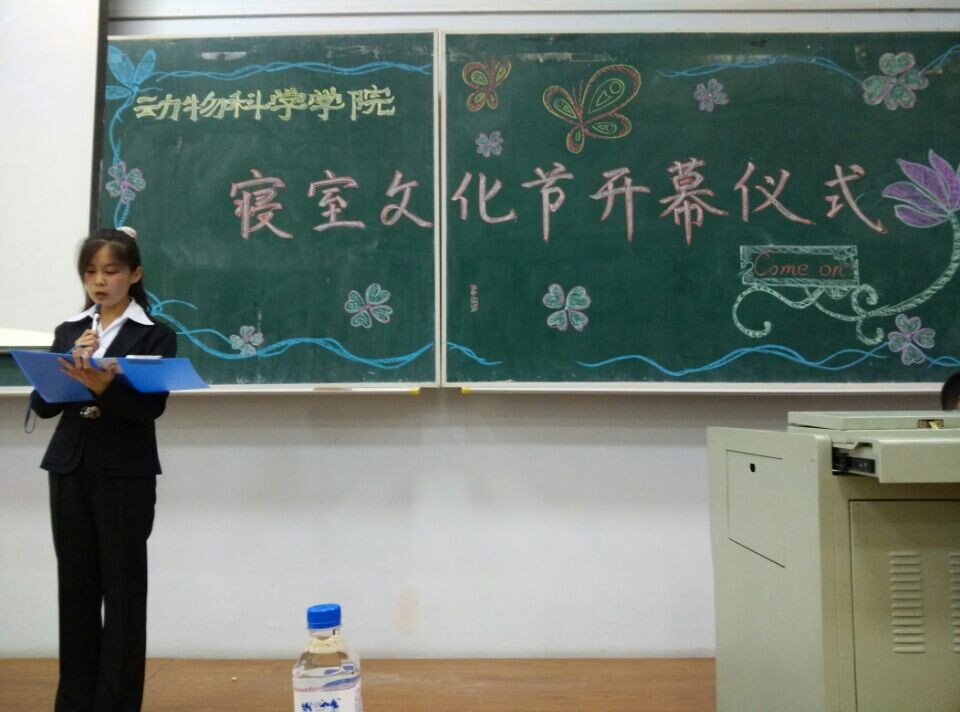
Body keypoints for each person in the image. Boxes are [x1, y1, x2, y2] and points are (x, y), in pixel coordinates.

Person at [29, 226, 177, 712]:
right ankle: (74, 701)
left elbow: (149, 409)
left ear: (134, 275)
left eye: (111, 271)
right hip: (69, 466)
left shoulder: (155, 334)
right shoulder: (71, 330)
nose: (99, 281)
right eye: (90, 272)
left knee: (123, 590)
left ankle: (115, 704)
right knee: (75, 589)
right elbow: (43, 406)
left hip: (124, 472)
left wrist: (101, 384)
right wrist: (70, 365)